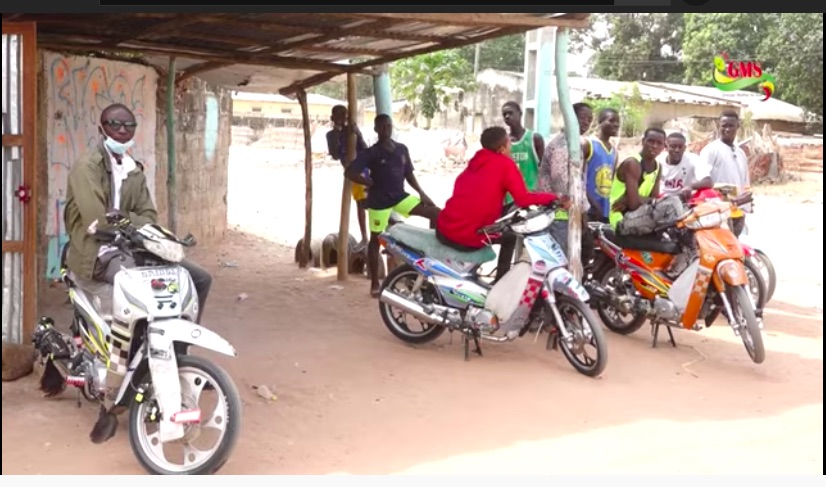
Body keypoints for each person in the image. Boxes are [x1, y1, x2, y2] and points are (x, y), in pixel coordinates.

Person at [63, 103, 213, 443]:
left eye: (129, 125)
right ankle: (117, 386)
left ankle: (177, 360)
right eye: (116, 125)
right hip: (96, 252)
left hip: (134, 247)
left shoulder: (134, 169)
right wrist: (125, 220)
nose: (123, 131)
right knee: (140, 296)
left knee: (197, 279)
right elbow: (96, 221)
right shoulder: (87, 167)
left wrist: (124, 219)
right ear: (102, 127)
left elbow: (149, 214)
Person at [346, 114, 440, 297]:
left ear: (392, 127)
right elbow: (350, 172)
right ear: (376, 129)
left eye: (388, 126)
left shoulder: (401, 150)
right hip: (379, 202)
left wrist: (422, 193)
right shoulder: (371, 152)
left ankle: (432, 257)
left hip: (400, 197)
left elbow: (409, 175)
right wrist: (368, 182)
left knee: (436, 213)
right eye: (381, 127)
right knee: (375, 240)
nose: (385, 129)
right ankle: (374, 283)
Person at [436, 126, 564, 252]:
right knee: (510, 238)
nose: (511, 147)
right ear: (502, 149)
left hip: (445, 228)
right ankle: (503, 273)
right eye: (509, 143)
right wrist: (554, 197)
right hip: (467, 237)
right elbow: (523, 199)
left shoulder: (475, 161)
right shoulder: (506, 165)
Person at [538, 102, 595, 260]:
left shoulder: (574, 143)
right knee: (559, 262)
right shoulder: (562, 145)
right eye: (582, 118)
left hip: (565, 213)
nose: (586, 123)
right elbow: (560, 183)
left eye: (589, 120)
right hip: (558, 215)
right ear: (570, 117)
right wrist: (580, 211)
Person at [496, 101, 546, 281]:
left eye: (510, 113)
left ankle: (528, 280)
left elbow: (544, 170)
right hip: (508, 201)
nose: (507, 117)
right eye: (504, 114)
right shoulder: (502, 143)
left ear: (520, 113)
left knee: (531, 244)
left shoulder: (534, 139)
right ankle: (500, 280)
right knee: (507, 242)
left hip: (529, 201)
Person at [608, 127, 681, 237]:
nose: (654, 146)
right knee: (672, 203)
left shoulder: (658, 167)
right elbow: (633, 205)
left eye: (659, 143)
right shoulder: (633, 163)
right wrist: (645, 200)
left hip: (641, 214)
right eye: (651, 141)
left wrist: (636, 198)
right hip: (621, 219)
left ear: (663, 147)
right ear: (643, 141)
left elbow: (654, 199)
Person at [696, 110, 752, 236]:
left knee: (735, 248)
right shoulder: (710, 150)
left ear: (737, 126)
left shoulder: (740, 153)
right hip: (719, 212)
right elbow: (703, 180)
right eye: (724, 126)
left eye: (731, 126)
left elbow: (744, 181)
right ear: (719, 126)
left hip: (738, 211)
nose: (727, 129)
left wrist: (747, 206)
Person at [326, 104, 370, 250]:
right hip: (353, 171)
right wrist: (338, 134)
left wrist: (358, 133)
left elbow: (364, 148)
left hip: (364, 168)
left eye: (343, 116)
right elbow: (335, 154)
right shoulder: (331, 135)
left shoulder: (352, 131)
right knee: (362, 204)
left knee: (368, 202)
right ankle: (365, 237)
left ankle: (368, 236)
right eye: (338, 117)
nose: (341, 119)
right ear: (332, 118)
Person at [585, 108, 620, 223]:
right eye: (611, 121)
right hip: (589, 207)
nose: (616, 124)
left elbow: (613, 180)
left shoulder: (614, 151)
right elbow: (578, 178)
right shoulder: (589, 144)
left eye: (617, 122)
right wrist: (592, 203)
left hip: (605, 208)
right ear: (600, 122)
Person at [656, 132, 712, 199]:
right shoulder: (658, 160)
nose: (677, 150)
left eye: (680, 147)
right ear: (666, 147)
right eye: (673, 146)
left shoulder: (693, 159)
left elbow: (708, 181)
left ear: (685, 148)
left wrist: (691, 186)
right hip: (662, 198)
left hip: (684, 198)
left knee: (709, 193)